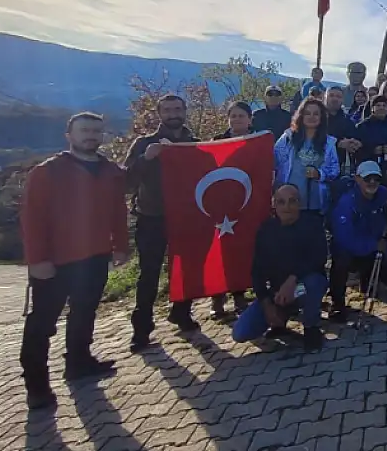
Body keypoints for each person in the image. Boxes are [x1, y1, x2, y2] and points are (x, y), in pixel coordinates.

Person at [20, 112, 128, 409]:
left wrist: (120, 246)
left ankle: (79, 362)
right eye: (84, 130)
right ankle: (37, 386)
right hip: (56, 261)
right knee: (42, 323)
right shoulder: (48, 171)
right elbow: (32, 218)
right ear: (69, 135)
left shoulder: (110, 170)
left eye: (96, 130)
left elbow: (118, 211)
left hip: (95, 256)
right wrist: (37, 260)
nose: (90, 135)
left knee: (85, 312)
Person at [125, 95, 201, 352]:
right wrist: (146, 158)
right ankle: (142, 329)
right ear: (159, 113)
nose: (173, 114)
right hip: (152, 218)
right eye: (167, 110)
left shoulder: (195, 144)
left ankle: (181, 312)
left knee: (186, 269)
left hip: (186, 217)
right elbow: (127, 181)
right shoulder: (144, 143)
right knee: (149, 275)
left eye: (178, 109)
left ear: (185, 111)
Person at [231, 184, 328, 352]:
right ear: (274, 205)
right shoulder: (266, 230)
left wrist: (293, 279)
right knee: (240, 333)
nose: (287, 207)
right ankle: (279, 320)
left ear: (300, 203)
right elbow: (257, 271)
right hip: (277, 294)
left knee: (314, 283)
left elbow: (318, 258)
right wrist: (266, 303)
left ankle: (311, 328)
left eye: (292, 201)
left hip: (300, 288)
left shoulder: (312, 225)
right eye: (281, 202)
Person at [329, 162, 387, 321]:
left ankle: (368, 280)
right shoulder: (346, 202)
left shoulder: (384, 194)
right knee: (341, 261)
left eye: (376, 178)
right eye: (367, 178)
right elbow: (344, 238)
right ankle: (337, 303)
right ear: (357, 178)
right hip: (349, 248)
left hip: (373, 243)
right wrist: (372, 245)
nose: (372, 182)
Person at [209, 102, 254, 319]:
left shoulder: (257, 142)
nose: (237, 119)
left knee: (241, 250)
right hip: (221, 205)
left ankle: (239, 294)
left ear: (250, 119)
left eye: (241, 116)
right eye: (233, 116)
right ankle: (217, 297)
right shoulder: (217, 142)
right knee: (221, 250)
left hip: (246, 203)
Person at [274, 98, 340, 226]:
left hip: (315, 204)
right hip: (289, 203)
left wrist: (319, 174)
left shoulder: (329, 143)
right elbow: (274, 163)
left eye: (316, 114)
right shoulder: (287, 139)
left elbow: (335, 170)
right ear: (301, 115)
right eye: (307, 113)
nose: (312, 117)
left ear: (322, 117)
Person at [356, 95, 387, 182]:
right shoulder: (363, 126)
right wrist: (372, 151)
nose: (381, 108)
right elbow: (357, 150)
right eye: (378, 105)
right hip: (369, 171)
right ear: (372, 108)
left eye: (384, 105)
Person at [324, 86, 361, 177]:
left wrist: (355, 143)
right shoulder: (317, 117)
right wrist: (338, 143)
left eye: (338, 96)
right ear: (325, 98)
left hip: (339, 168)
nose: (335, 99)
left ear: (342, 100)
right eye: (331, 95)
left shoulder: (347, 121)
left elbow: (355, 138)